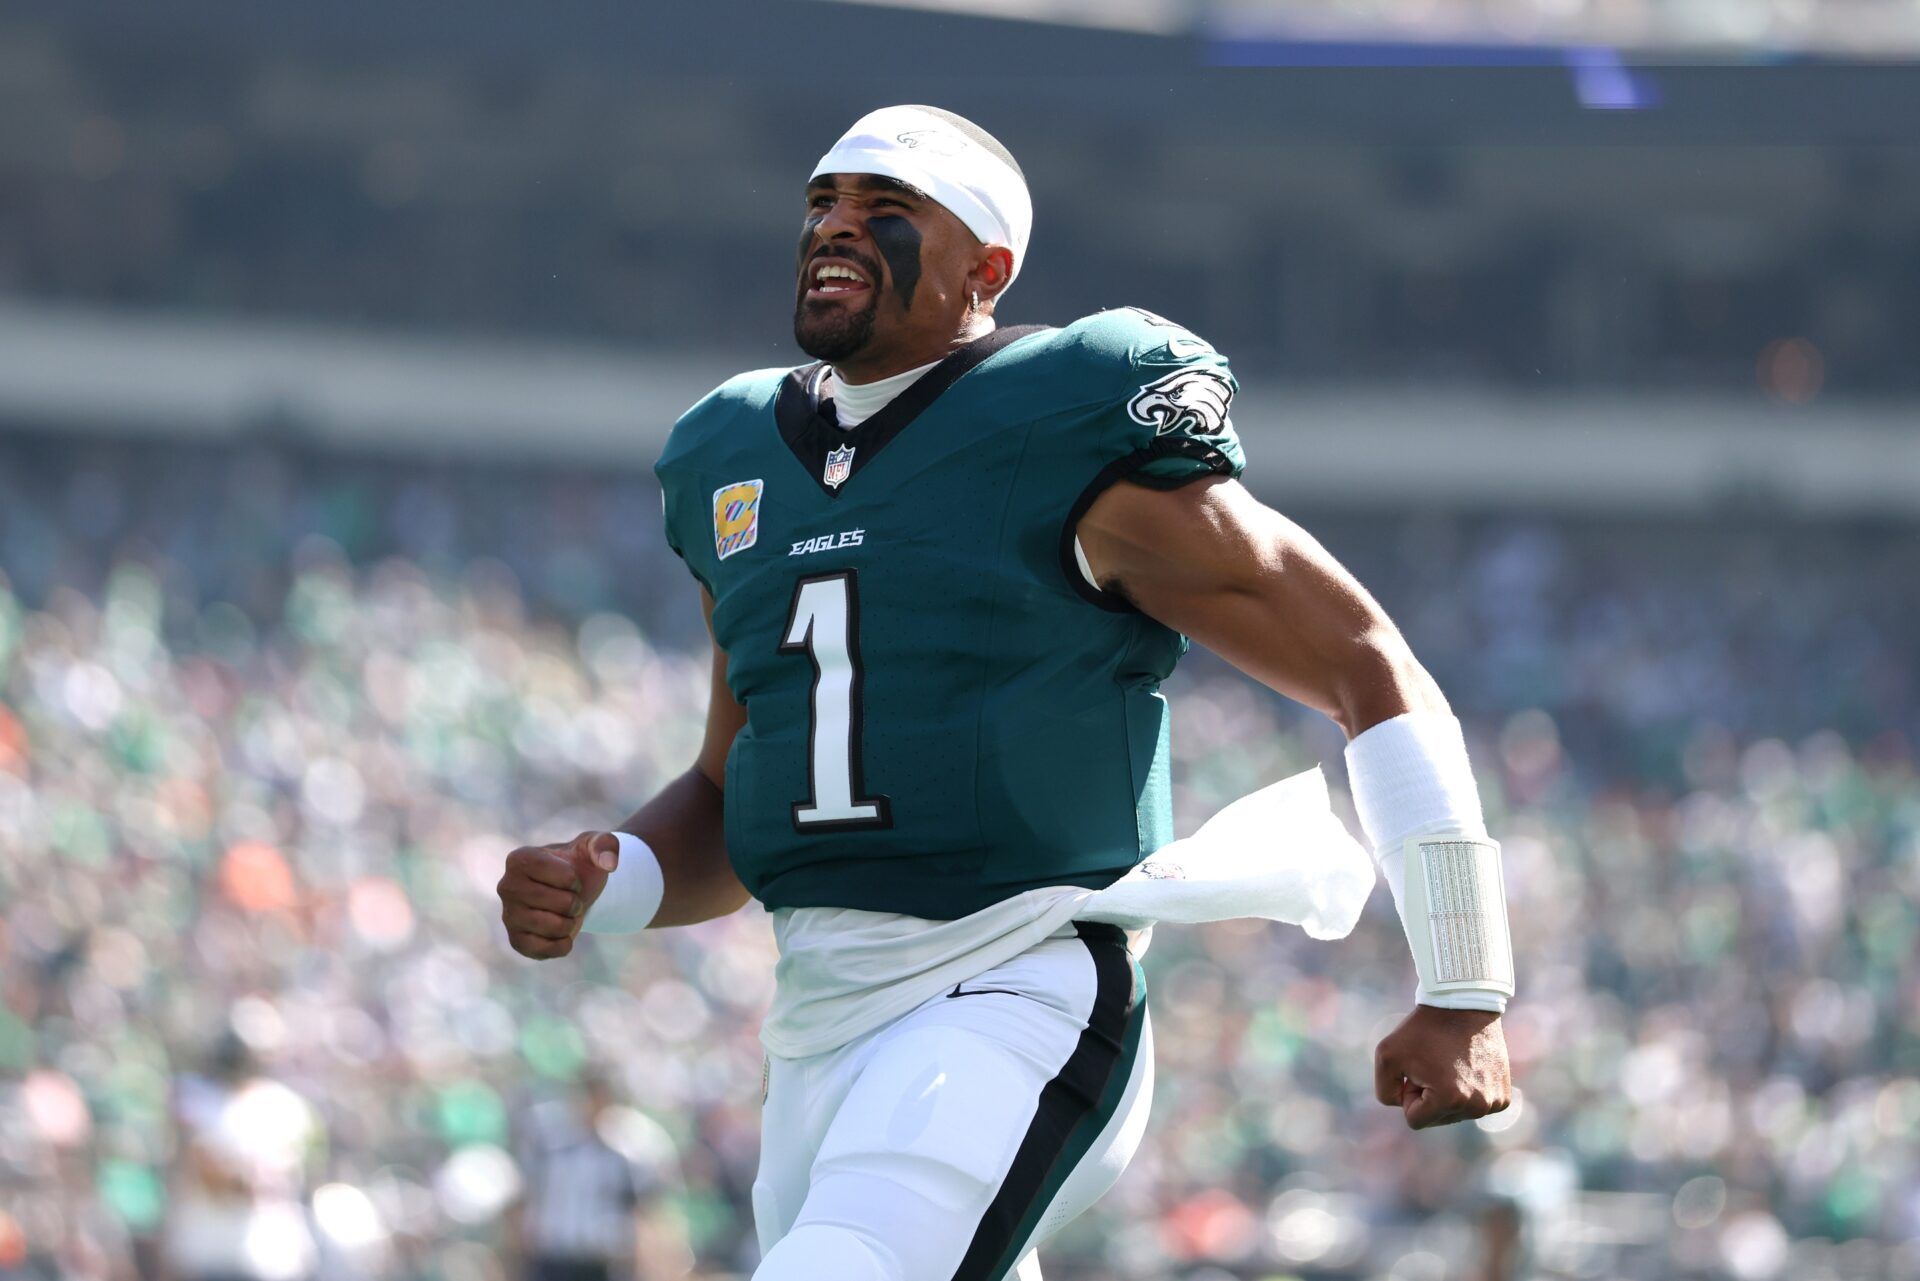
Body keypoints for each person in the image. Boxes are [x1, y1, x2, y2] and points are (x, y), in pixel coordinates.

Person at [498, 104, 1514, 1281]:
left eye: (888, 211)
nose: (837, 226)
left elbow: (1366, 664)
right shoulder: (731, 453)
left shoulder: (1058, 420)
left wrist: (1464, 981)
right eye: (823, 201)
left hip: (1018, 981)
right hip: (821, 1024)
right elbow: (735, 792)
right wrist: (607, 880)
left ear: (986, 268)